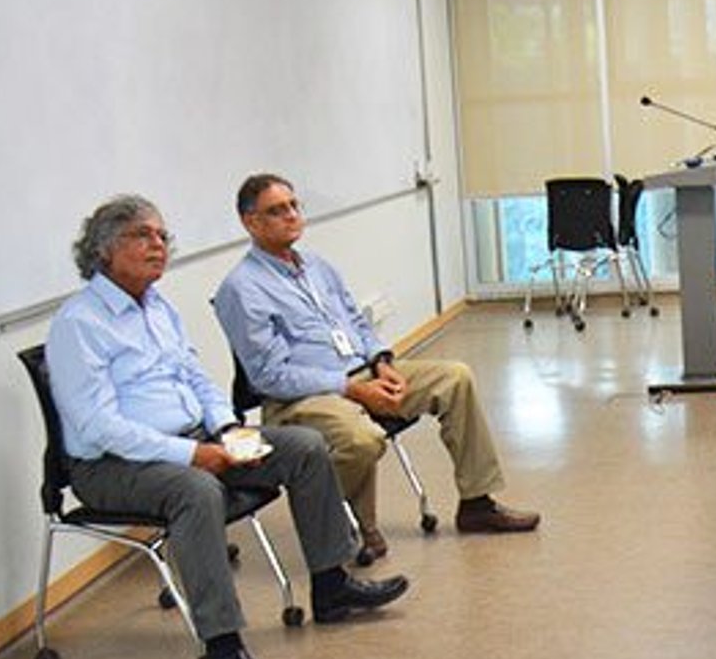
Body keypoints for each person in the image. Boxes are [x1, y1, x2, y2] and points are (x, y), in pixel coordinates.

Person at [46, 195, 409, 659]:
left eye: (162, 235)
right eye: (142, 235)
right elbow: (99, 426)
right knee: (197, 491)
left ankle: (331, 585)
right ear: (104, 250)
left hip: (195, 437)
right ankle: (222, 652)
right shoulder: (80, 323)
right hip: (111, 465)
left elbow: (197, 378)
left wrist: (227, 429)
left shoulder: (157, 307)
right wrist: (193, 455)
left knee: (304, 446)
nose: (158, 245)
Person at [214, 174, 538, 563]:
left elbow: (357, 321)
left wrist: (381, 362)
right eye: (276, 211)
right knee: (361, 438)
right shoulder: (242, 288)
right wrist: (349, 388)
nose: (291, 215)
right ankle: (345, 525)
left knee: (455, 377)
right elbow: (269, 377)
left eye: (294, 206)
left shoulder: (316, 266)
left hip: (362, 373)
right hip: (302, 399)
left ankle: (477, 503)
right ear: (251, 222)